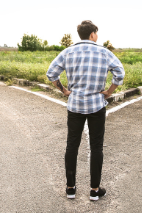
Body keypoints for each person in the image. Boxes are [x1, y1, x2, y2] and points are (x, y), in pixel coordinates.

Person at [46, 20, 125, 201]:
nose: (97, 36)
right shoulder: (104, 52)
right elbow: (120, 73)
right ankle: (94, 190)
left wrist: (64, 90)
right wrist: (108, 92)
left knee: (72, 145)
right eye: (96, 33)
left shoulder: (68, 52)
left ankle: (71, 188)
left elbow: (51, 74)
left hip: (75, 106)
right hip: (96, 105)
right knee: (96, 146)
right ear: (92, 34)